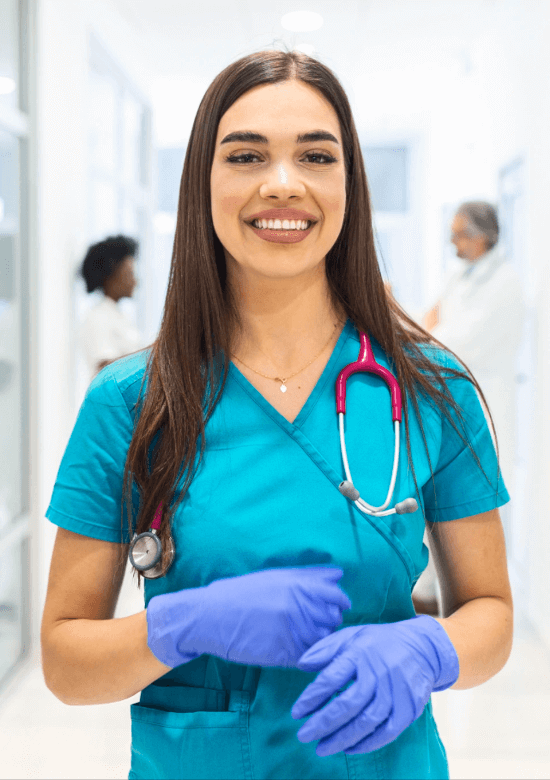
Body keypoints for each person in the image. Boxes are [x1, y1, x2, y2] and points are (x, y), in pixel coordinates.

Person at [41, 49, 513, 780]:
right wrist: (178, 626)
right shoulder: (133, 402)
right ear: (204, 182)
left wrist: (432, 649)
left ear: (349, 184)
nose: (283, 184)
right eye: (246, 155)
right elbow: (67, 664)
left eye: (317, 156)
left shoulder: (432, 388)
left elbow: (490, 610)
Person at [413, 202, 526, 615]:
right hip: (446, 399)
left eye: (461, 234)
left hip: (484, 400)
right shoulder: (459, 275)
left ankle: (470, 609)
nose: (453, 241)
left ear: (486, 236)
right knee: (434, 510)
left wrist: (431, 330)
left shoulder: (506, 284)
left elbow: (451, 341)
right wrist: (431, 330)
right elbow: (426, 325)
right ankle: (428, 604)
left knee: (471, 507)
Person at [79, 234, 144, 379]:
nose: (135, 281)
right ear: (111, 276)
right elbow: (105, 367)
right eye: (129, 274)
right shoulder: (98, 317)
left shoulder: (118, 315)